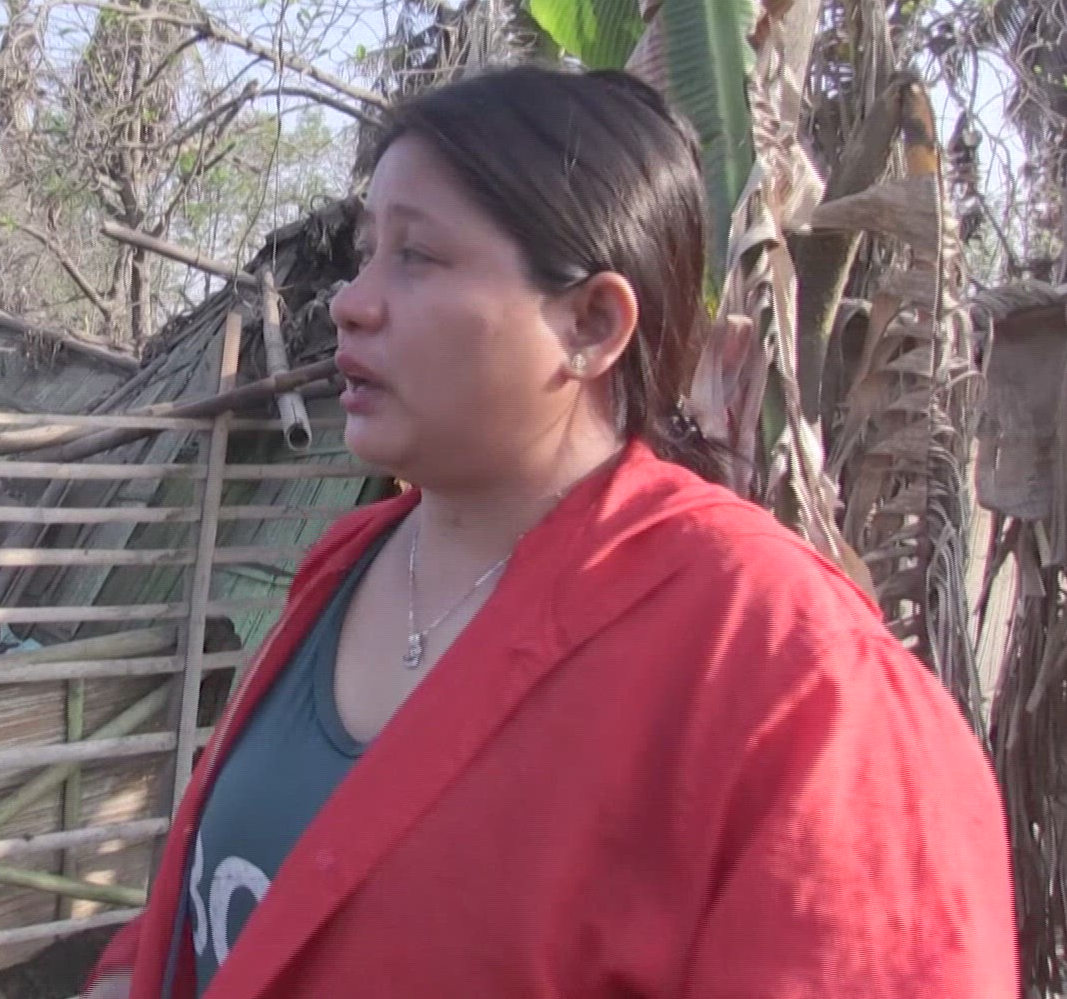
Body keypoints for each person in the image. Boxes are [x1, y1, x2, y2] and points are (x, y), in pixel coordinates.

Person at [82, 66, 1016, 999]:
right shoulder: (344, 563)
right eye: (366, 254)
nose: (350, 302)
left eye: (418, 256)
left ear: (592, 324)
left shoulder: (788, 675)